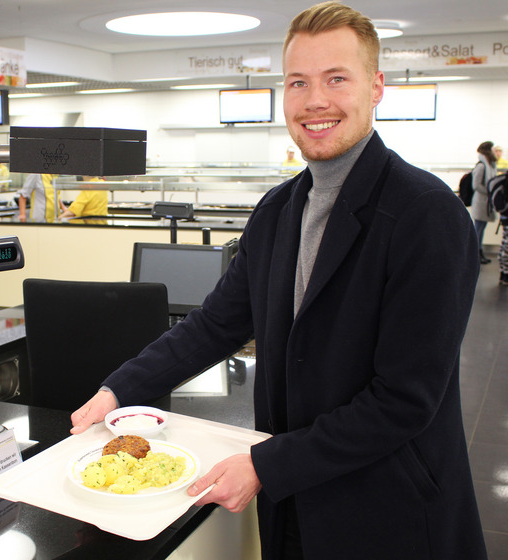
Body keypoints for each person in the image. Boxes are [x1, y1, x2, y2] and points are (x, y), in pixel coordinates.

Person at [70, 3, 486, 559]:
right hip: (296, 504)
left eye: (336, 78)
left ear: (376, 86)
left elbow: (404, 401)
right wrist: (118, 388)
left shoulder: (425, 214)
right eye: (298, 82)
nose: (315, 101)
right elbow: (215, 324)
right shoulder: (278, 209)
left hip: (389, 510)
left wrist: (265, 467)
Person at [470, 141, 497, 264]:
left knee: (481, 228)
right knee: (478, 228)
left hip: (485, 202)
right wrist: (489, 192)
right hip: (481, 202)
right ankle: (476, 253)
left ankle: (479, 252)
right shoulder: (481, 166)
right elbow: (476, 185)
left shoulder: (489, 165)